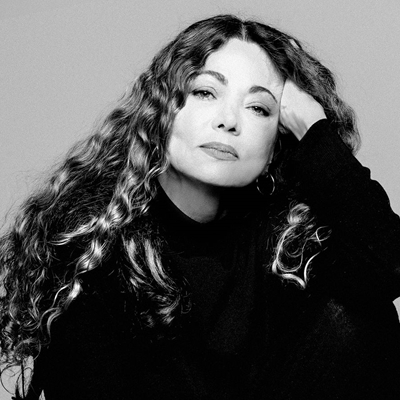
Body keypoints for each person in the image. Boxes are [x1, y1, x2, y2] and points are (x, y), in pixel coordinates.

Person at [1, 14, 399, 400]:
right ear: (162, 110)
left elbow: (389, 266)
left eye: (258, 108)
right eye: (205, 92)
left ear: (277, 142)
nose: (228, 121)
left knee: (357, 305)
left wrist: (314, 131)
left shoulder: (287, 242)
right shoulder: (93, 247)